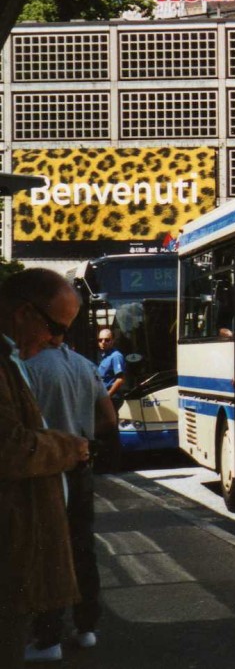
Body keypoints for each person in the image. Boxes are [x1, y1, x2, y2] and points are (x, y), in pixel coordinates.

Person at [0, 269, 90, 668]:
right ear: (23, 314)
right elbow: (9, 447)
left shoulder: (12, 358)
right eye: (55, 327)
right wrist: (69, 447)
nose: (58, 340)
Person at [24, 340, 117, 658]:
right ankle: (87, 626)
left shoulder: (31, 369)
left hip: (46, 472)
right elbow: (110, 419)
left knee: (48, 549)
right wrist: (84, 439)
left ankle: (48, 636)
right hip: (81, 469)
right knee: (83, 546)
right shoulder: (86, 366)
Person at [96, 327, 125, 408]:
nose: (103, 342)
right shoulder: (104, 356)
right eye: (100, 340)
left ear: (113, 341)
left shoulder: (116, 356)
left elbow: (120, 379)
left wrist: (108, 395)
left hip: (112, 398)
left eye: (107, 340)